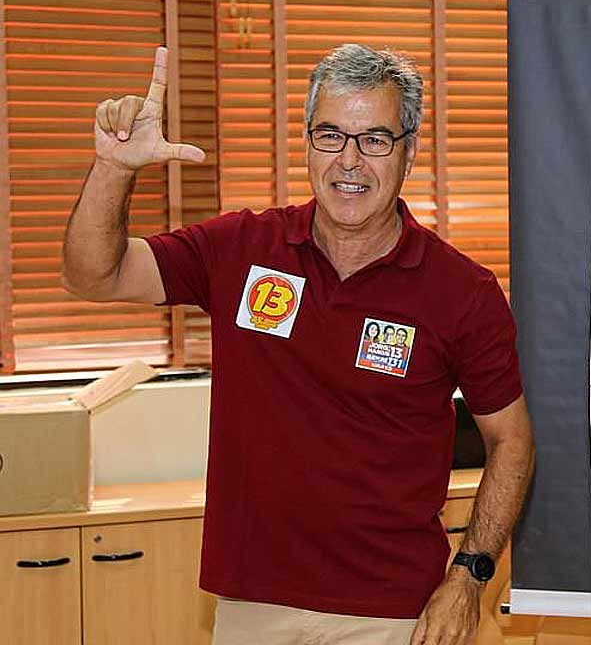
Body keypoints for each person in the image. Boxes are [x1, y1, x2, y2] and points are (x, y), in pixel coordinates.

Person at [62, 44, 535, 645]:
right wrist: (114, 169)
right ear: (307, 143)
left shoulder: (462, 291)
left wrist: (468, 577)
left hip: (394, 614)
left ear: (410, 152)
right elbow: (92, 275)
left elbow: (511, 441)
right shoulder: (241, 249)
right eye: (331, 135)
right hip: (252, 606)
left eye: (375, 139)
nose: (350, 161)